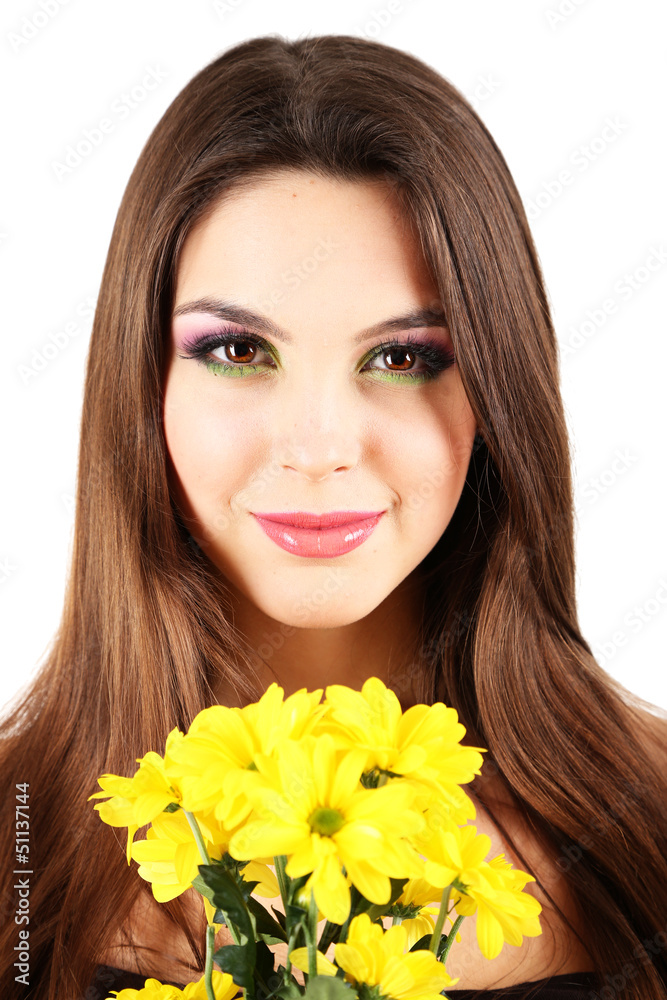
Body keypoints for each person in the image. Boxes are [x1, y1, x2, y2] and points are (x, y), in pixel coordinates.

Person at [1, 32, 665, 1000]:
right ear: (142, 382)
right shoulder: (19, 843)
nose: (316, 446)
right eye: (237, 350)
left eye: (401, 358)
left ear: (497, 391)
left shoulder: (650, 828)